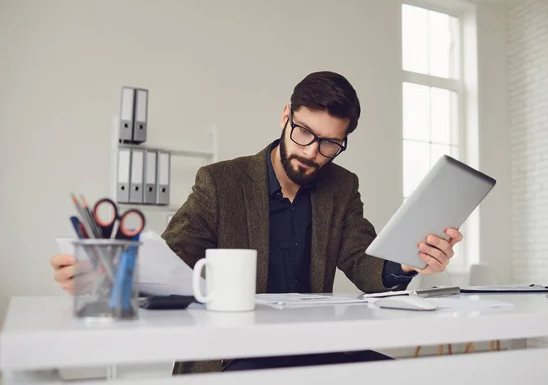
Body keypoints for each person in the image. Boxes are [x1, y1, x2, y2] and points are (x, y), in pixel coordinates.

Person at [50, 71, 462, 374]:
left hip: (313, 351)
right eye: (303, 132)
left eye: (330, 143)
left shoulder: (341, 186)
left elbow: (363, 261)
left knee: (406, 376)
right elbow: (171, 260)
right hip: (234, 356)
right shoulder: (220, 182)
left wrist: (410, 260)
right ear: (286, 116)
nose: (313, 152)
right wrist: (104, 275)